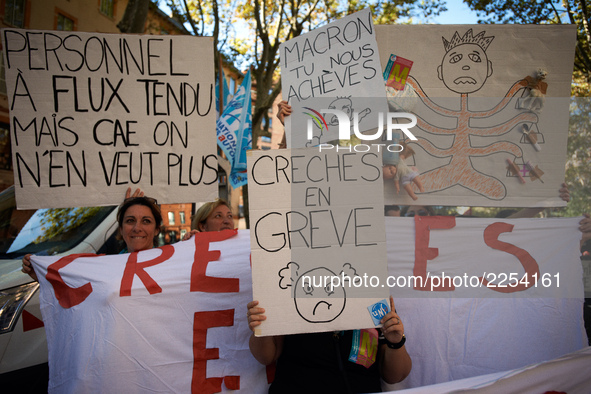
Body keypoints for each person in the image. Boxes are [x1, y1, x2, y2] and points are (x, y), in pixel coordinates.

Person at [247, 295, 412, 393]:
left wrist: (396, 342)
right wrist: (260, 328)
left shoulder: (375, 299)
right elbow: (266, 356)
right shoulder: (286, 290)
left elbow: (395, 376)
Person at [21, 188, 161, 281]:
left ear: (156, 229)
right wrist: (42, 274)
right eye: (130, 220)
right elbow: (74, 289)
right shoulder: (102, 269)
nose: (137, 228)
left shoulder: (172, 264)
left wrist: (184, 249)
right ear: (121, 229)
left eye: (146, 221)